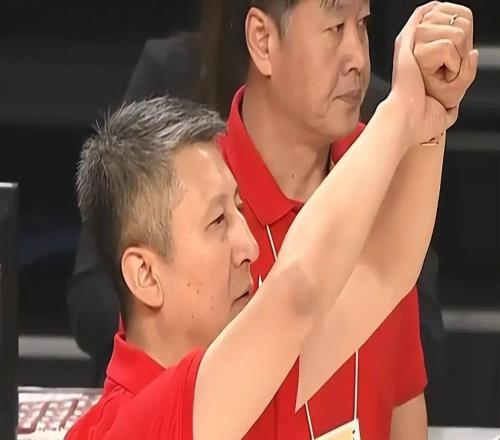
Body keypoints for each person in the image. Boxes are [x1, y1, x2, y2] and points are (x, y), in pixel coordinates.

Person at [66, 2, 478, 438]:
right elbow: (297, 292)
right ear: (145, 274)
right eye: (218, 221)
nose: (248, 245)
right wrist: (399, 112)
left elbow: (385, 272)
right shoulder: (133, 424)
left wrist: (429, 113)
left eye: (239, 208)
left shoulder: (243, 384)